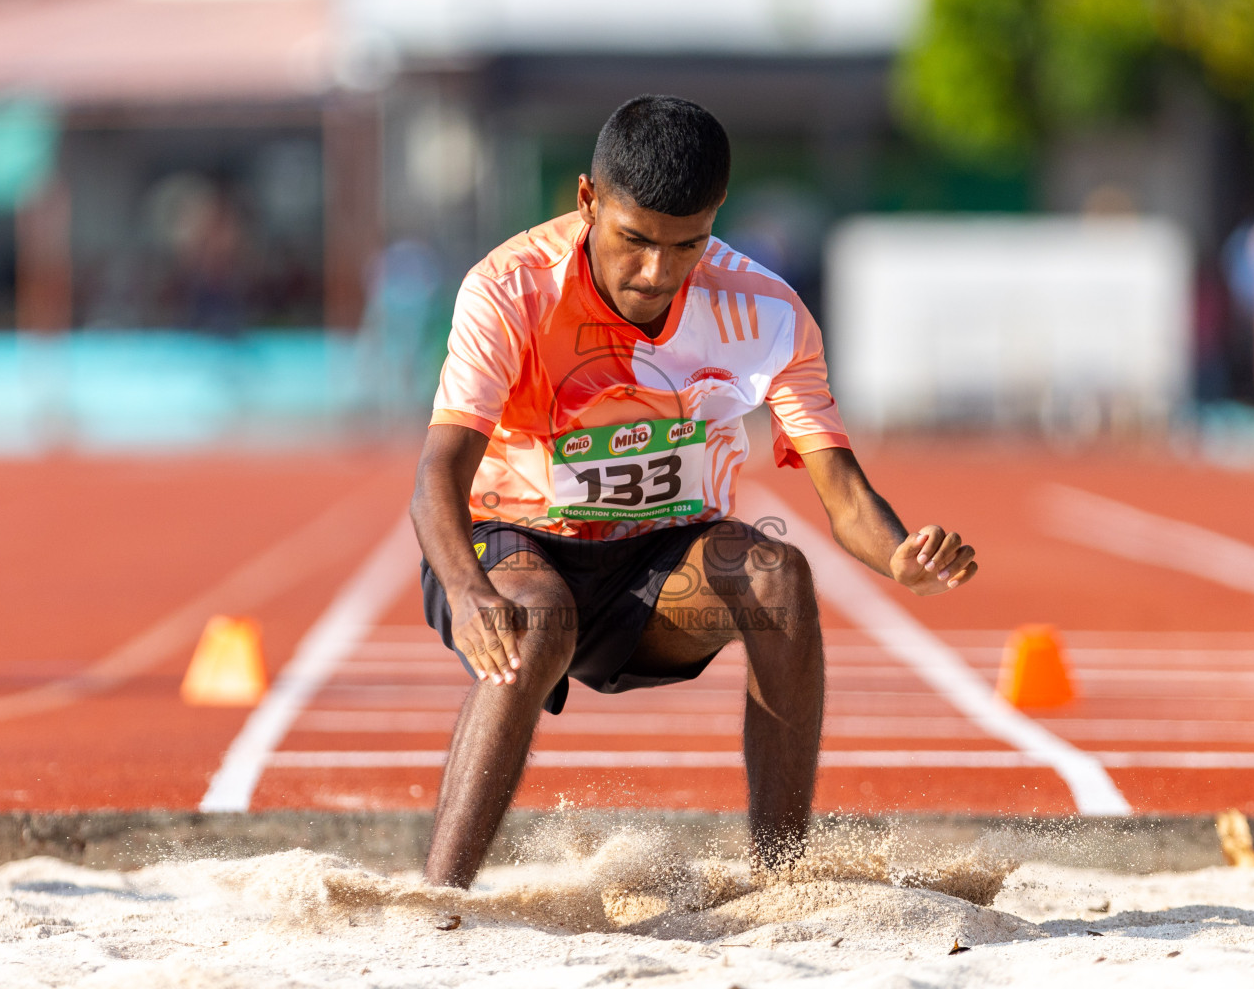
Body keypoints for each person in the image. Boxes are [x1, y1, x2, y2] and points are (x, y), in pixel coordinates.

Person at [410, 95, 978, 889]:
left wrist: (900, 555)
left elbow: (844, 494)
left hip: (656, 568)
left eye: (687, 246)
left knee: (780, 580)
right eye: (633, 240)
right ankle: (443, 898)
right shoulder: (509, 290)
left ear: (716, 220)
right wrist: (469, 593)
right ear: (587, 201)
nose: (655, 273)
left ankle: (779, 878)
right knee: (538, 618)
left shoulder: (768, 313)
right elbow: (437, 476)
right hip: (514, 543)